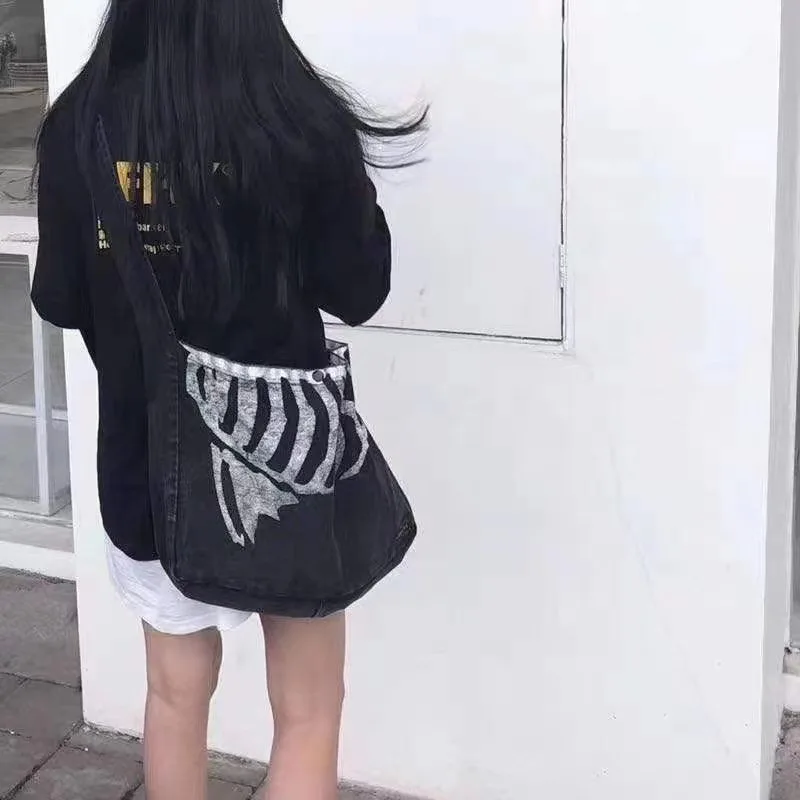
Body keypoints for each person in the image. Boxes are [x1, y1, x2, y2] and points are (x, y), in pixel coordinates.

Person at [30, 2, 425, 798]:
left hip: (145, 467)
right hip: (289, 469)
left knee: (175, 694)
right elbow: (360, 289)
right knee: (309, 712)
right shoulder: (297, 119)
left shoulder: (79, 122)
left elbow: (64, 300)